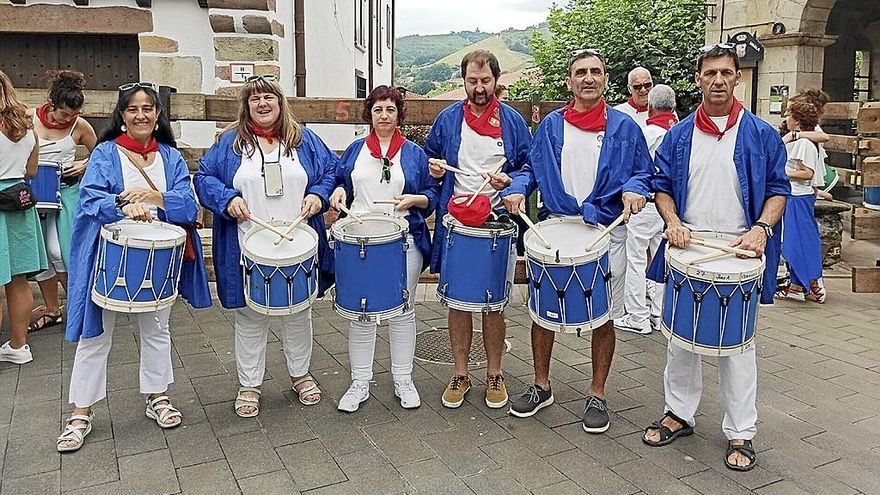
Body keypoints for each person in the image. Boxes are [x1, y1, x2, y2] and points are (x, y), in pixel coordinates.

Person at [641, 44, 789, 472]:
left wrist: (762, 229)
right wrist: (672, 221)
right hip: (689, 246)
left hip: (740, 249)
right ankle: (678, 413)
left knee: (737, 348)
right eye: (710, 73)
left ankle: (741, 429)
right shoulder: (679, 135)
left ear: (737, 77)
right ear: (698, 79)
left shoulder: (761, 134)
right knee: (679, 342)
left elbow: (778, 190)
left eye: (726, 72)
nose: (718, 80)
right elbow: (661, 186)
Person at [499, 49, 652, 432]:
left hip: (606, 232)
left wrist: (635, 189)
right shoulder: (552, 125)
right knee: (542, 313)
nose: (588, 78)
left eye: (595, 71)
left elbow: (642, 172)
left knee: (604, 316)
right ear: (569, 82)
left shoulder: (625, 127)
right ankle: (541, 385)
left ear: (606, 80)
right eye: (580, 72)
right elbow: (531, 169)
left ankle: (597, 392)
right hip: (556, 228)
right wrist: (517, 189)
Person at [58, 82, 211, 452]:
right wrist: (122, 204)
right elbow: (90, 199)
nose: (141, 115)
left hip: (158, 259)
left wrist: (155, 197)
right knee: (96, 335)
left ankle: (157, 396)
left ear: (157, 115)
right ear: (122, 116)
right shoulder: (106, 153)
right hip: (110, 257)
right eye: (133, 109)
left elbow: (188, 205)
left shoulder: (170, 157)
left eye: (147, 109)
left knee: (157, 330)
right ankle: (80, 412)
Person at [194, 75, 337, 418]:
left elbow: (332, 171)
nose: (262, 104)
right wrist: (227, 199)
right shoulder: (230, 144)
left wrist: (318, 196)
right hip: (247, 245)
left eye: (268, 97)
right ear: (246, 106)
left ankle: (300, 375)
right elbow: (203, 177)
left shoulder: (303, 140)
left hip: (298, 244)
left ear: (280, 102)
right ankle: (250, 385)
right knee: (250, 317)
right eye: (255, 98)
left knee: (299, 314)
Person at [425, 50, 531, 410]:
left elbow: (527, 167)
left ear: (496, 80)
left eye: (485, 80)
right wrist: (435, 169)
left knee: (493, 303)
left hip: (496, 223)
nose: (479, 87)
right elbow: (430, 158)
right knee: (457, 301)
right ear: (464, 81)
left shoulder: (512, 121)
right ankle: (460, 372)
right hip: (456, 221)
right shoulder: (448, 119)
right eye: (472, 81)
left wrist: (511, 182)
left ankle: (494, 373)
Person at [329, 86, 439, 412]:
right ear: (370, 114)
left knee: (403, 310)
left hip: (404, 240)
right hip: (360, 241)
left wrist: (416, 199)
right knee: (362, 312)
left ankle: (403, 379)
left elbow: (432, 194)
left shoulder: (414, 154)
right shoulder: (356, 150)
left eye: (390, 109)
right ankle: (359, 382)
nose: (384, 116)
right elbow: (340, 182)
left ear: (399, 114)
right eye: (378, 110)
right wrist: (338, 192)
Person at [28, 70, 97, 332]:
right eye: (64, 114)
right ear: (52, 104)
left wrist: (84, 165)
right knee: (40, 254)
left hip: (66, 194)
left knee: (61, 252)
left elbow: (102, 154)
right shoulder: (29, 118)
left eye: (73, 114)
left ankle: (80, 307)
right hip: (33, 194)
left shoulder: (80, 126)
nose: (68, 119)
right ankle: (52, 309)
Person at [616, 84, 678, 335]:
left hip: (645, 204)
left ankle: (637, 316)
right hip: (669, 207)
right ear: (674, 107)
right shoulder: (680, 132)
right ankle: (660, 314)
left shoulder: (646, 133)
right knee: (660, 260)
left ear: (650, 107)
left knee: (635, 260)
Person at [0, 70, 46, 364]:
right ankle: (18, 347)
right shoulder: (27, 127)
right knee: (18, 280)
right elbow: (31, 171)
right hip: (19, 201)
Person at [777, 99, 825, 303]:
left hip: (798, 196)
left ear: (797, 121)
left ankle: (802, 284)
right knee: (792, 240)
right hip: (793, 195)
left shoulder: (804, 144)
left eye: (789, 115)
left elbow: (807, 173)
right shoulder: (798, 141)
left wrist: (782, 174)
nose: (786, 118)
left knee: (797, 240)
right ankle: (796, 284)